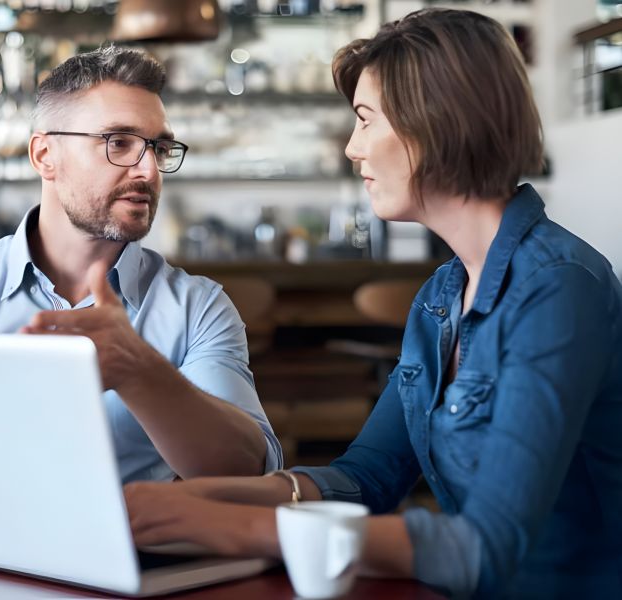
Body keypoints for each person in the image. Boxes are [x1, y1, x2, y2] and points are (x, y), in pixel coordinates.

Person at [123, 9, 622, 599]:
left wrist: (238, 527)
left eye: (365, 120)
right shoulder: (441, 296)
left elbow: (487, 546)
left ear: (436, 121)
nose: (352, 148)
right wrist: (192, 497)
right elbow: (370, 477)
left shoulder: (560, 286)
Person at [0, 46, 283, 521]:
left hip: (133, 573)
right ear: (44, 155)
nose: (149, 171)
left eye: (158, 147)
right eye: (119, 142)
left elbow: (249, 473)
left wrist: (138, 371)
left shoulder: (196, 307)